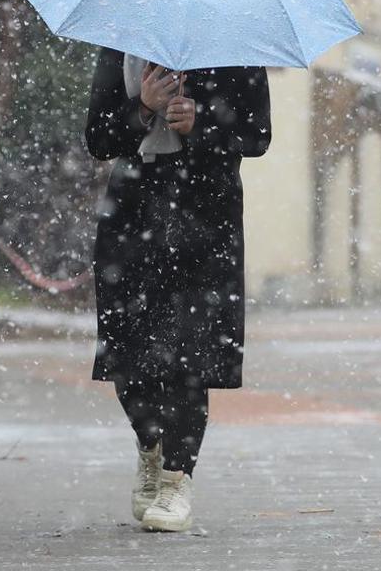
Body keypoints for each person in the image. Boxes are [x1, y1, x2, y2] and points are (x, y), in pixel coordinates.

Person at [84, 46, 271, 532]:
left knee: (190, 356)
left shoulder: (234, 49)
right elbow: (99, 139)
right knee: (130, 353)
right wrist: (142, 107)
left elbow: (257, 135)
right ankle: (150, 446)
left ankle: (176, 479)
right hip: (132, 218)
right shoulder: (119, 47)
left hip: (205, 222)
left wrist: (200, 124)